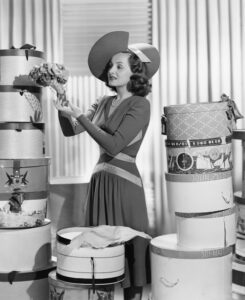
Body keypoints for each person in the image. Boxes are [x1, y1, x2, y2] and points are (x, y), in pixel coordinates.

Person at [53, 31, 160, 300]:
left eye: (119, 66)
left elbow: (114, 146)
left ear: (135, 72)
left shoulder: (140, 105)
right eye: (110, 66)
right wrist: (62, 98)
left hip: (125, 186)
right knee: (101, 255)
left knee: (129, 250)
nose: (111, 71)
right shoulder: (102, 102)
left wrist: (79, 115)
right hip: (99, 183)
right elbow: (71, 130)